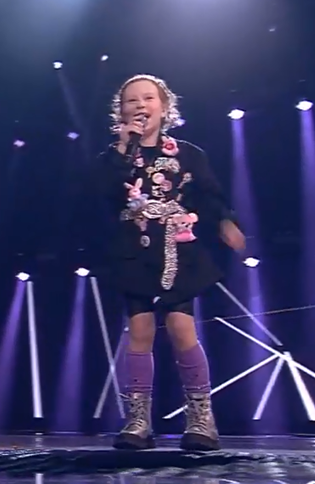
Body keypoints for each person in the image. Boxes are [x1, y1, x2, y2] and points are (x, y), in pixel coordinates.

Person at [95, 74, 245, 452]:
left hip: (177, 250)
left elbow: (210, 195)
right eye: (131, 100)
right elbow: (100, 194)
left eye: (148, 98)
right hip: (133, 251)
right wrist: (123, 150)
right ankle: (138, 420)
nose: (140, 105)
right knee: (139, 330)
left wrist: (225, 221)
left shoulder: (189, 154)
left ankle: (201, 418)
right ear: (121, 112)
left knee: (181, 327)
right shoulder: (113, 156)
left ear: (165, 108)